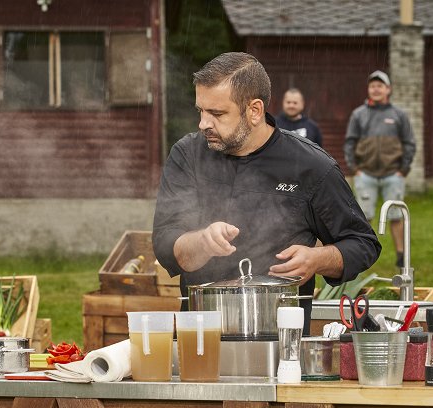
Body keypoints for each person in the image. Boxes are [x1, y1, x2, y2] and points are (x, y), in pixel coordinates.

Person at [153, 52, 381, 334]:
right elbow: (164, 242)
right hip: (199, 340)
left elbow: (363, 244)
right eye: (201, 110)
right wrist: (201, 241)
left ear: (255, 110)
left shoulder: (311, 166)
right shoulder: (187, 156)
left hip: (281, 342)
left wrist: (317, 259)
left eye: (217, 113)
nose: (203, 124)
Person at [343, 70, 416, 269]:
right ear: (369, 89)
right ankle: (363, 254)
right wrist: (355, 168)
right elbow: (350, 142)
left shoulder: (398, 115)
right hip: (365, 174)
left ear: (388, 89)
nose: (376, 89)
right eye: (372, 86)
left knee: (396, 216)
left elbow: (409, 143)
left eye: (380, 86)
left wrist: (403, 169)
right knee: (363, 217)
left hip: (393, 174)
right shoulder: (359, 114)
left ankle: (402, 255)